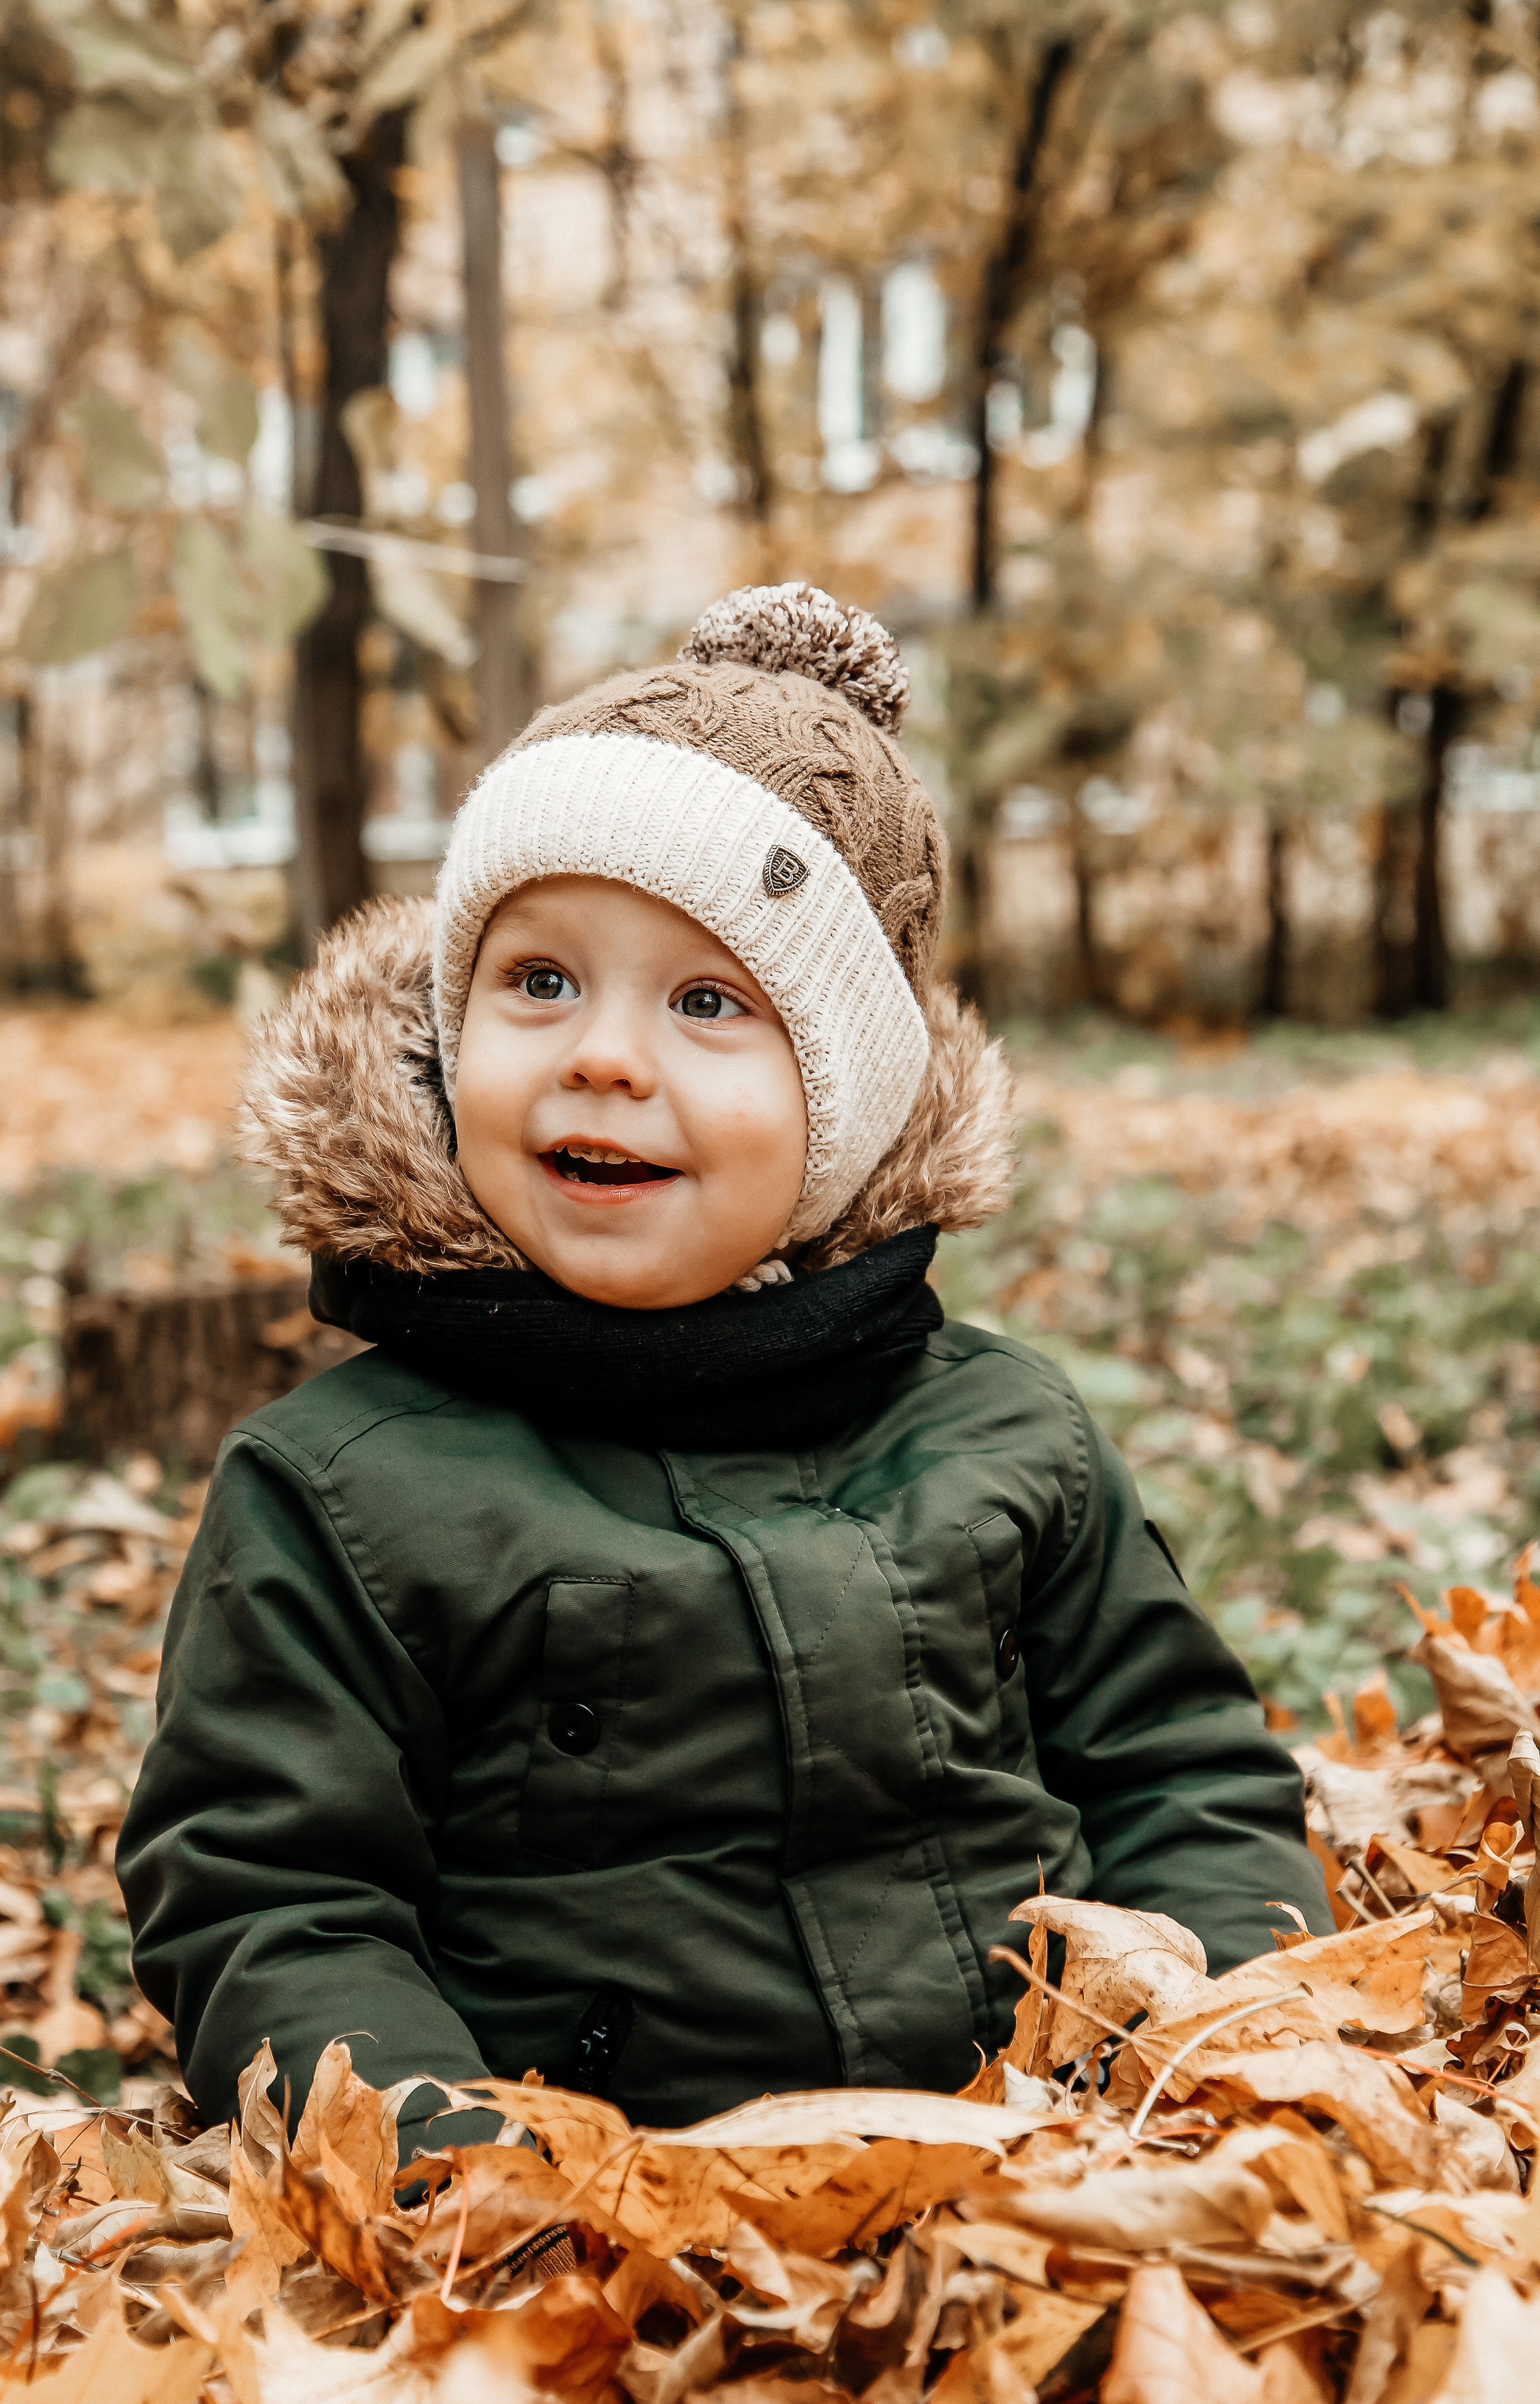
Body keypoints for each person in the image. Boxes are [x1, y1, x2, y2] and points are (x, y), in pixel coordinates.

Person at [116, 583, 1332, 2155]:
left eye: (707, 1003)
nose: (604, 1055)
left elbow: (1181, 1769)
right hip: (598, 2236)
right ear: (448, 1027)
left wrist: (1211, 2065)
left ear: (842, 1110)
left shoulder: (994, 1425)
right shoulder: (345, 1488)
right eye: (538, 980)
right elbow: (268, 1896)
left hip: (1040, 2173)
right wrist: (463, 2179)